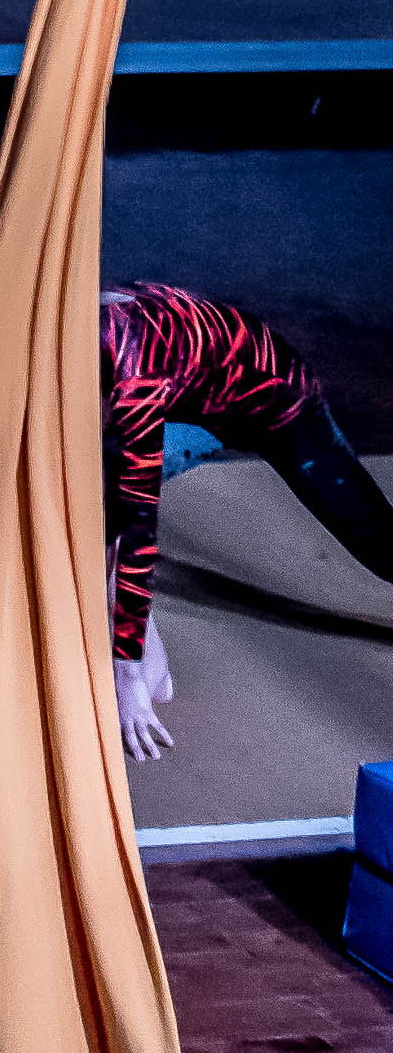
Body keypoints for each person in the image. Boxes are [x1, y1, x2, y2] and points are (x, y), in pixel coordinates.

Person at [103, 281, 393, 764]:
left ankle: (139, 672)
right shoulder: (56, 333)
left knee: (383, 548)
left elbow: (139, 526)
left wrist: (125, 676)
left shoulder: (135, 384)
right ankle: (149, 663)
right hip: (192, 393)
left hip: (278, 404)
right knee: (99, 495)